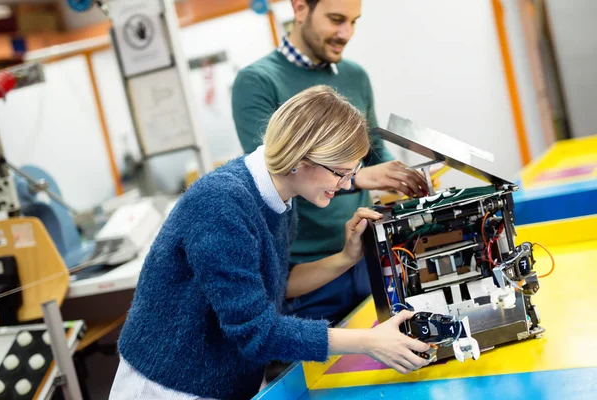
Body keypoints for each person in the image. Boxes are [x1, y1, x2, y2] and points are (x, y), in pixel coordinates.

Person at [109, 86, 430, 400]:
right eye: (340, 173)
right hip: (170, 386)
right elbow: (256, 333)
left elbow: (276, 283)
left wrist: (346, 257)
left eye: (353, 172)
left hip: (227, 381)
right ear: (300, 159)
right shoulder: (221, 204)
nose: (347, 184)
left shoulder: (278, 197)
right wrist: (368, 342)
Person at [232, 0, 428, 325]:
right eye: (336, 19)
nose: (345, 33)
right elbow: (274, 170)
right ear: (299, 9)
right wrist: (359, 178)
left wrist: (399, 178)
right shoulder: (257, 81)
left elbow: (374, 150)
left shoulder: (355, 76)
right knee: (313, 371)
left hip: (364, 256)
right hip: (307, 275)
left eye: (353, 22)